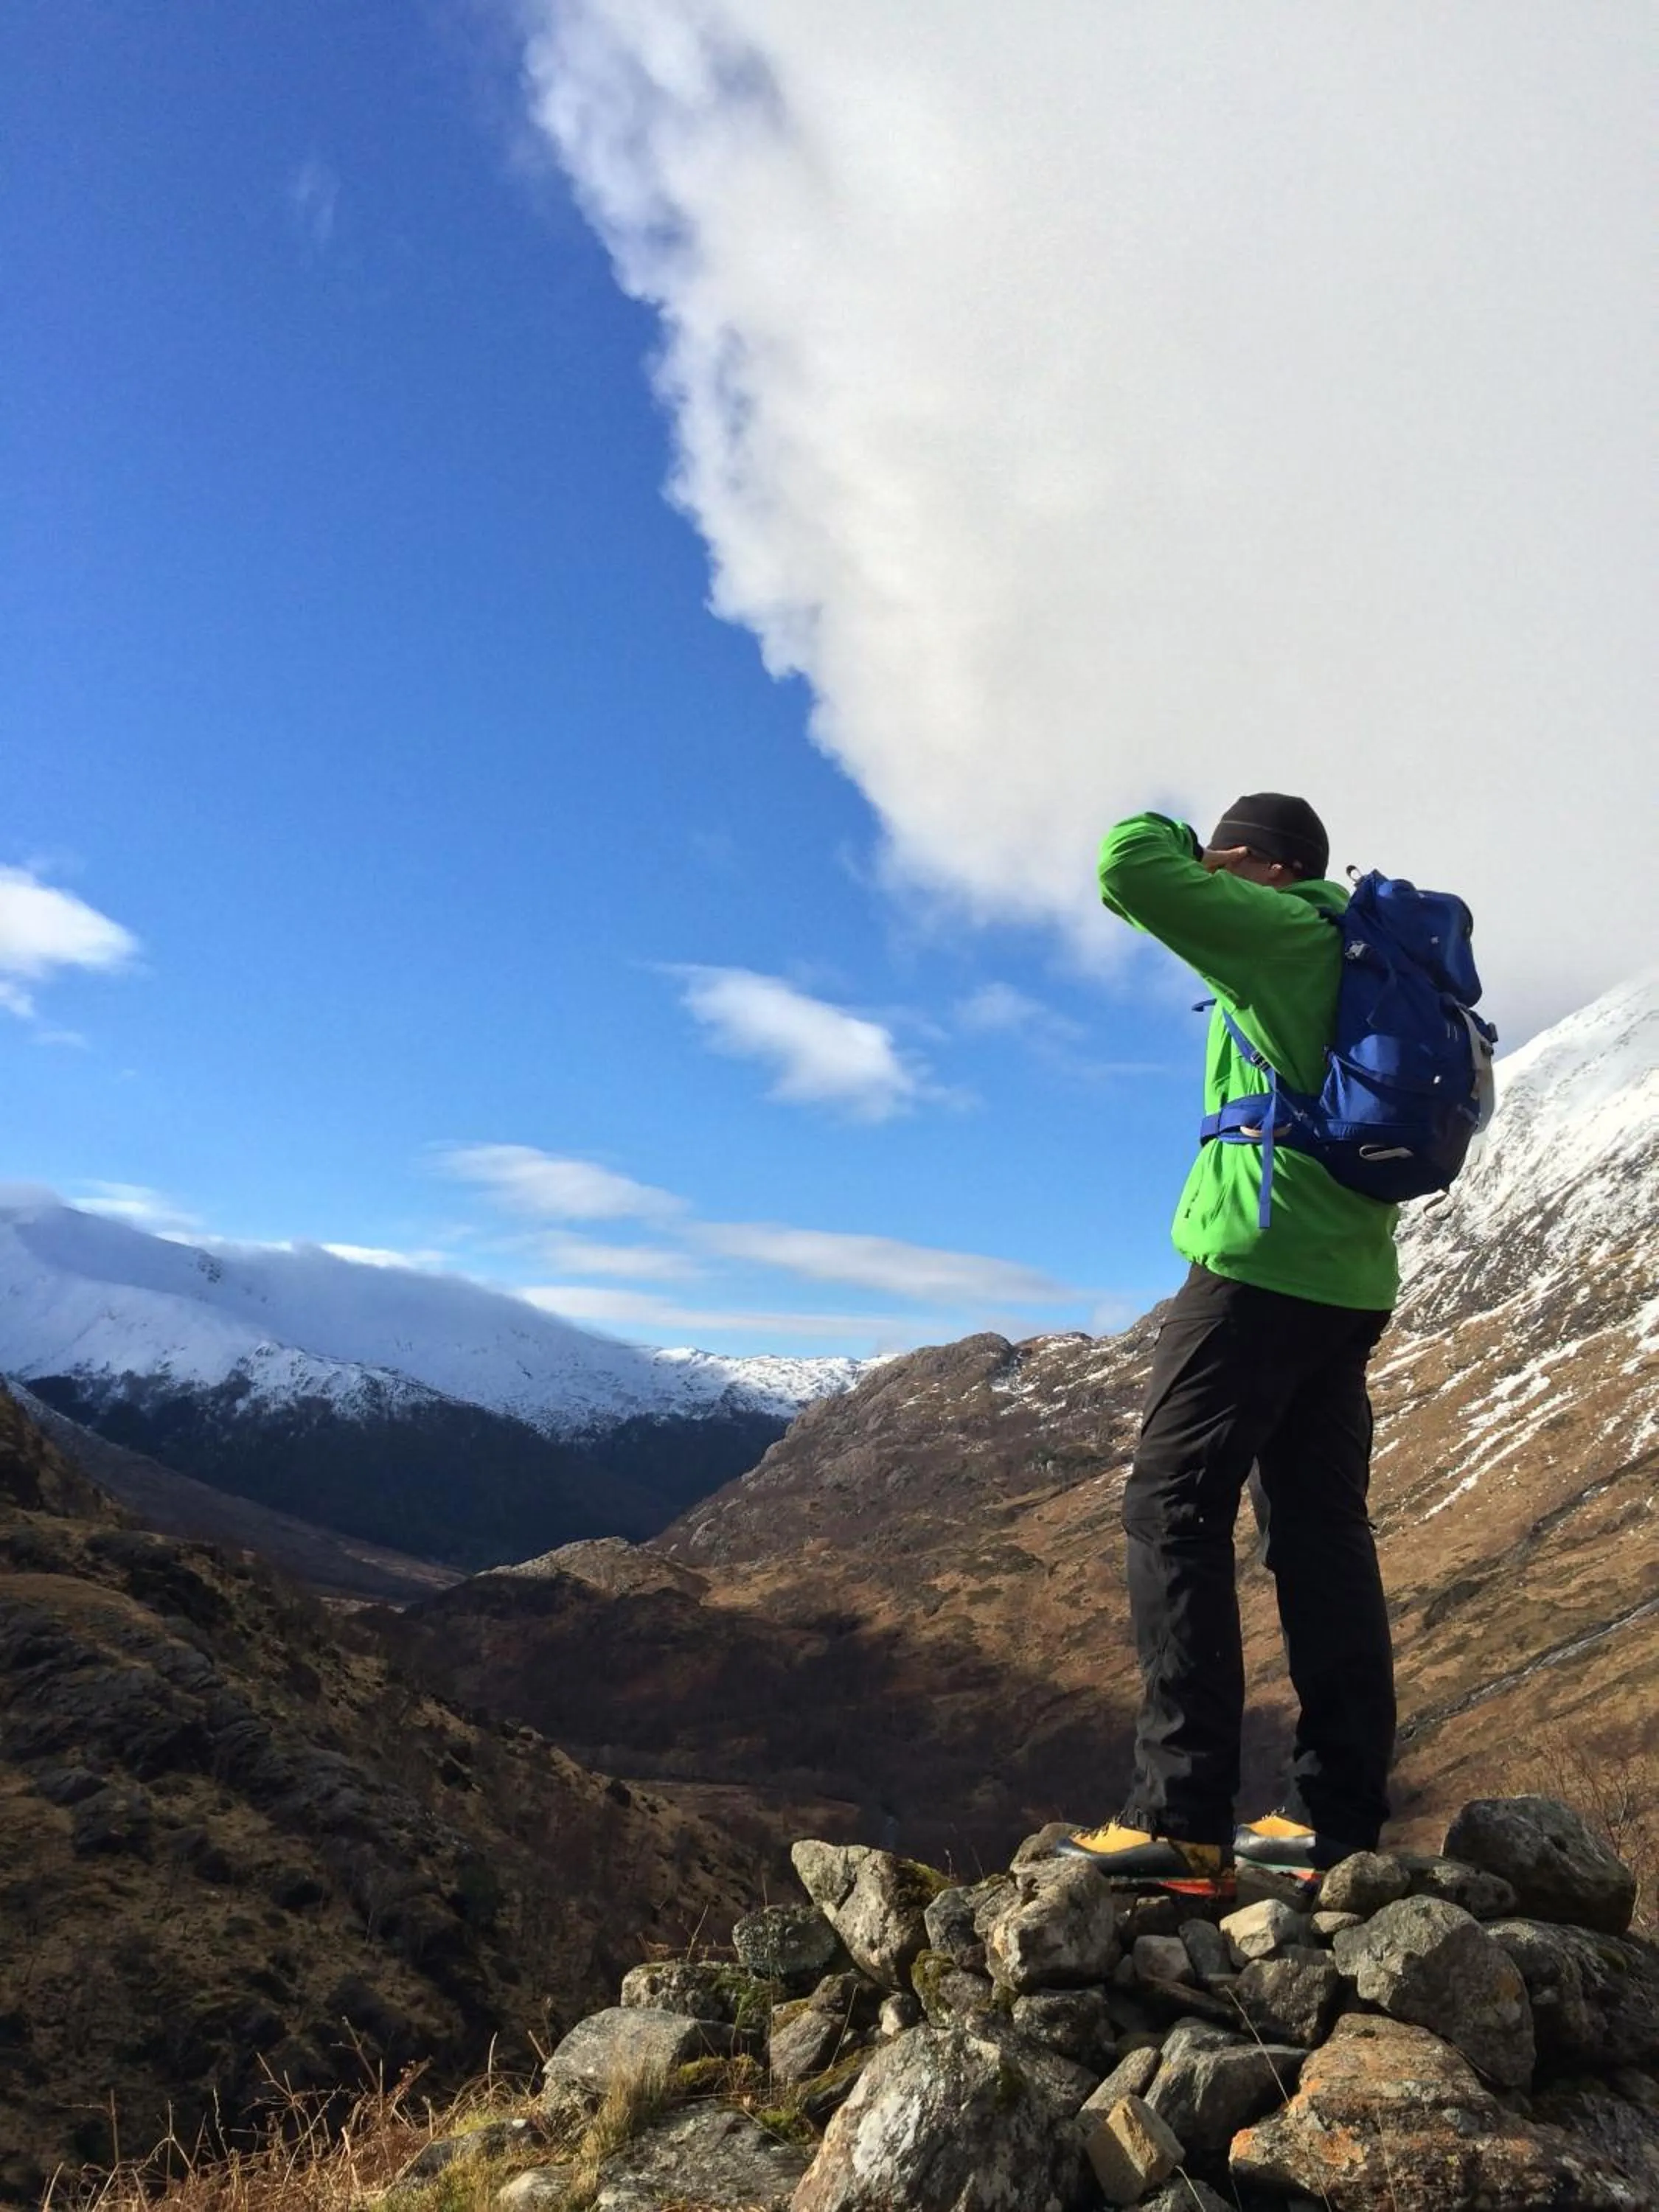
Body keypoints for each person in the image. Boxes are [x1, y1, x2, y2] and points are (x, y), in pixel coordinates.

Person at [1056, 794, 1398, 1892]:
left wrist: (1164, 823)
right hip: (1344, 1280)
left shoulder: (1286, 925)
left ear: (1259, 864)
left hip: (1257, 1265)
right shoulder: (1344, 953)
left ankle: (1179, 1817)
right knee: (1318, 1536)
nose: (1209, 876)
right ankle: (1332, 1819)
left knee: (1170, 1509)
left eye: (1224, 861)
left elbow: (1129, 871)